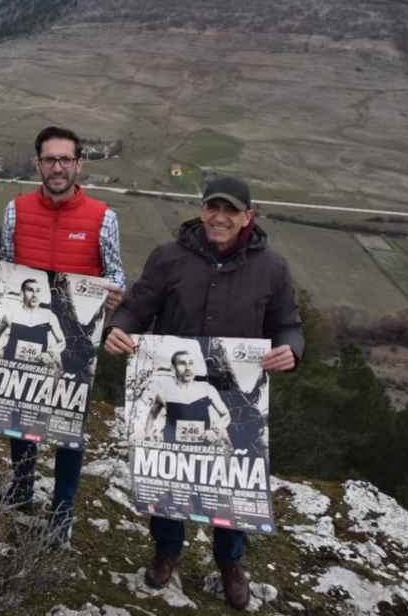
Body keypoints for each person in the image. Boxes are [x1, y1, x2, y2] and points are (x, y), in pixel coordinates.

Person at [104, 175, 303, 611]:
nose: (219, 217)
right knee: (169, 479)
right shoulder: (168, 258)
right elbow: (138, 307)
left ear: (248, 216)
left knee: (232, 485)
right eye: (213, 208)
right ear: (201, 210)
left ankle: (230, 563)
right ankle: (166, 551)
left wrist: (291, 349)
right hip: (174, 395)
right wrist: (118, 328)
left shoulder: (273, 267)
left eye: (230, 210)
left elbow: (288, 323)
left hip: (235, 399)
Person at [0, 125, 127, 540]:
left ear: (78, 164)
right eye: (49, 159)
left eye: (65, 159)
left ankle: (63, 509)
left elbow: (117, 273)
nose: (57, 167)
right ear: (37, 163)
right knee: (20, 413)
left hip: (75, 342)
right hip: (26, 333)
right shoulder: (15, 210)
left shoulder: (104, 217)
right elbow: (6, 266)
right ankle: (20, 488)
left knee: (69, 424)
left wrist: (114, 294)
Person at [142, 345, 231, 446]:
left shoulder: (207, 389)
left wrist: (215, 431)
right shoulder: (164, 391)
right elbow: (152, 414)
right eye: (182, 364)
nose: (188, 368)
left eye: (191, 363)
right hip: (172, 448)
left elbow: (226, 415)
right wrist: (148, 434)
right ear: (173, 368)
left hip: (202, 448)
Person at [0, 277, 66, 370]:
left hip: (37, 368)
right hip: (10, 365)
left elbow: (61, 341)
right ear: (22, 293)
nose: (35, 295)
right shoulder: (12, 313)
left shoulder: (49, 315)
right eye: (30, 290)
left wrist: (50, 353)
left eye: (38, 291)